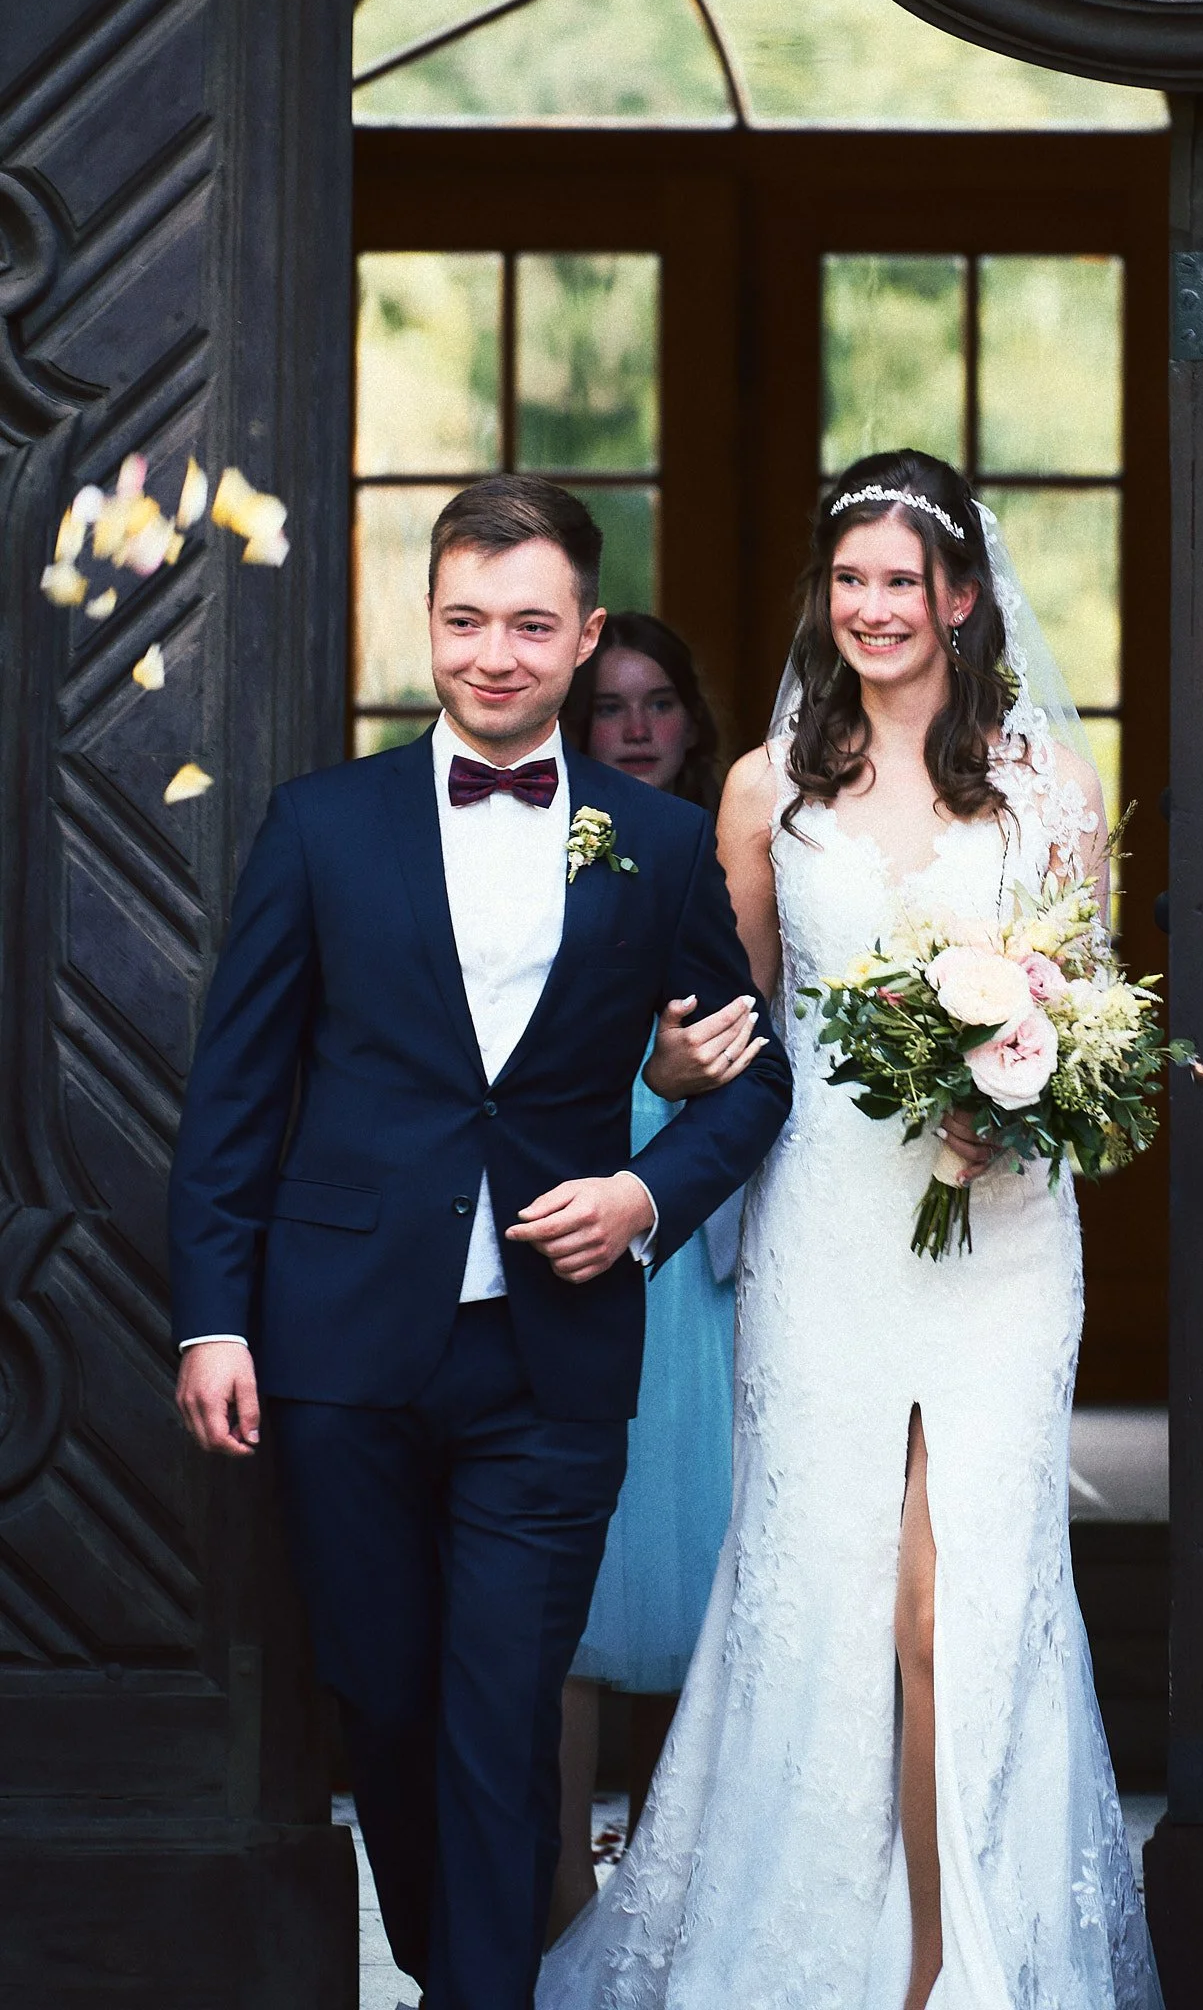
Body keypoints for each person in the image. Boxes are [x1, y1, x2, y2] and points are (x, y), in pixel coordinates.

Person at [538, 450, 1164, 2010]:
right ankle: (802, 1949)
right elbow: (725, 1022)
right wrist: (670, 1064)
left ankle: (954, 1966)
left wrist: (1022, 1093)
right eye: (850, 582)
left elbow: (1090, 1017)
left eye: (903, 581)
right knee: (826, 1586)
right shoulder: (766, 791)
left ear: (962, 596)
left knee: (963, 1604)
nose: (874, 609)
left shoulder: (1046, 787)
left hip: (1002, 1235)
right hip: (825, 1232)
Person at [168, 475, 792, 2010]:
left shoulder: (650, 838)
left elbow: (757, 1070)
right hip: (338, 1346)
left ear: (583, 638)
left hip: (551, 1355)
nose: (494, 655)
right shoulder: (321, 825)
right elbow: (236, 1095)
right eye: (464, 621)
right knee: (382, 1703)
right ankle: (465, 1969)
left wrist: (650, 1198)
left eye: (529, 624)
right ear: (427, 624)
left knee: (503, 1709)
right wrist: (214, 1319)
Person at [549, 616, 744, 1937]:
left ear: (693, 722)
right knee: (584, 1577)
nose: (634, 727)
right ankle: (563, 1902)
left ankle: (666, 1899)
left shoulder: (739, 854)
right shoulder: (565, 850)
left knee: (706, 1570)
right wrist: (642, 1080)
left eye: (658, 704)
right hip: (587, 1226)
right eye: (610, 706)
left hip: (711, 1248)